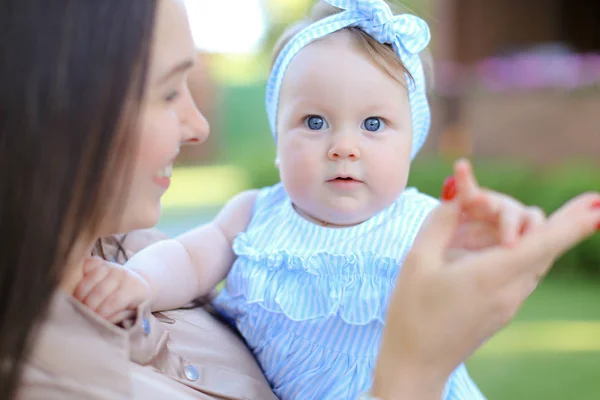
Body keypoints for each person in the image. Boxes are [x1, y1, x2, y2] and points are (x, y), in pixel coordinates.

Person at [2, 0, 600, 399]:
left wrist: (497, 242)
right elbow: (188, 259)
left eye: (372, 126)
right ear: (277, 130)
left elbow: (462, 283)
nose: (342, 147)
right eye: (314, 122)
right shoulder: (255, 215)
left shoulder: (421, 223)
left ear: (414, 139)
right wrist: (137, 283)